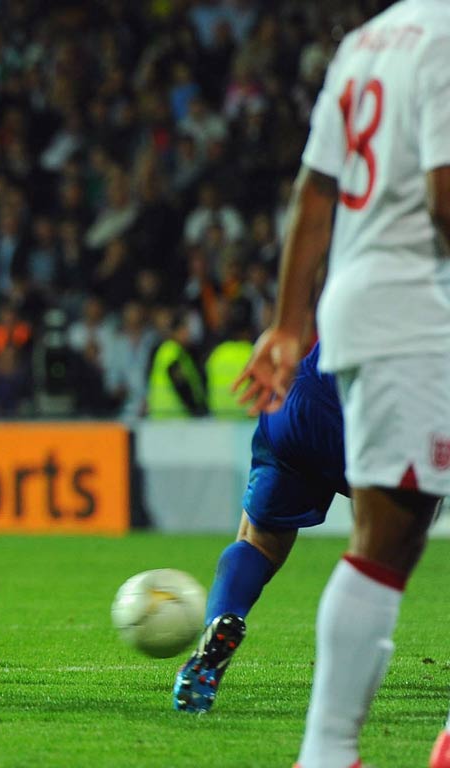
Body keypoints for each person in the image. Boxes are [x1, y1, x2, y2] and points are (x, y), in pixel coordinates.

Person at [232, 5, 450, 767]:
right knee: (387, 537)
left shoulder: (367, 42)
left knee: (393, 531)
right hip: (419, 310)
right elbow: (445, 194)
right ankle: (326, 755)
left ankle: (333, 754)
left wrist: (290, 324)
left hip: (361, 307)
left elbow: (314, 193)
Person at [173, 342, 346, 713]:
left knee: (259, 543)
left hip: (299, 399)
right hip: (379, 415)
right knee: (388, 550)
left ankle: (217, 634)